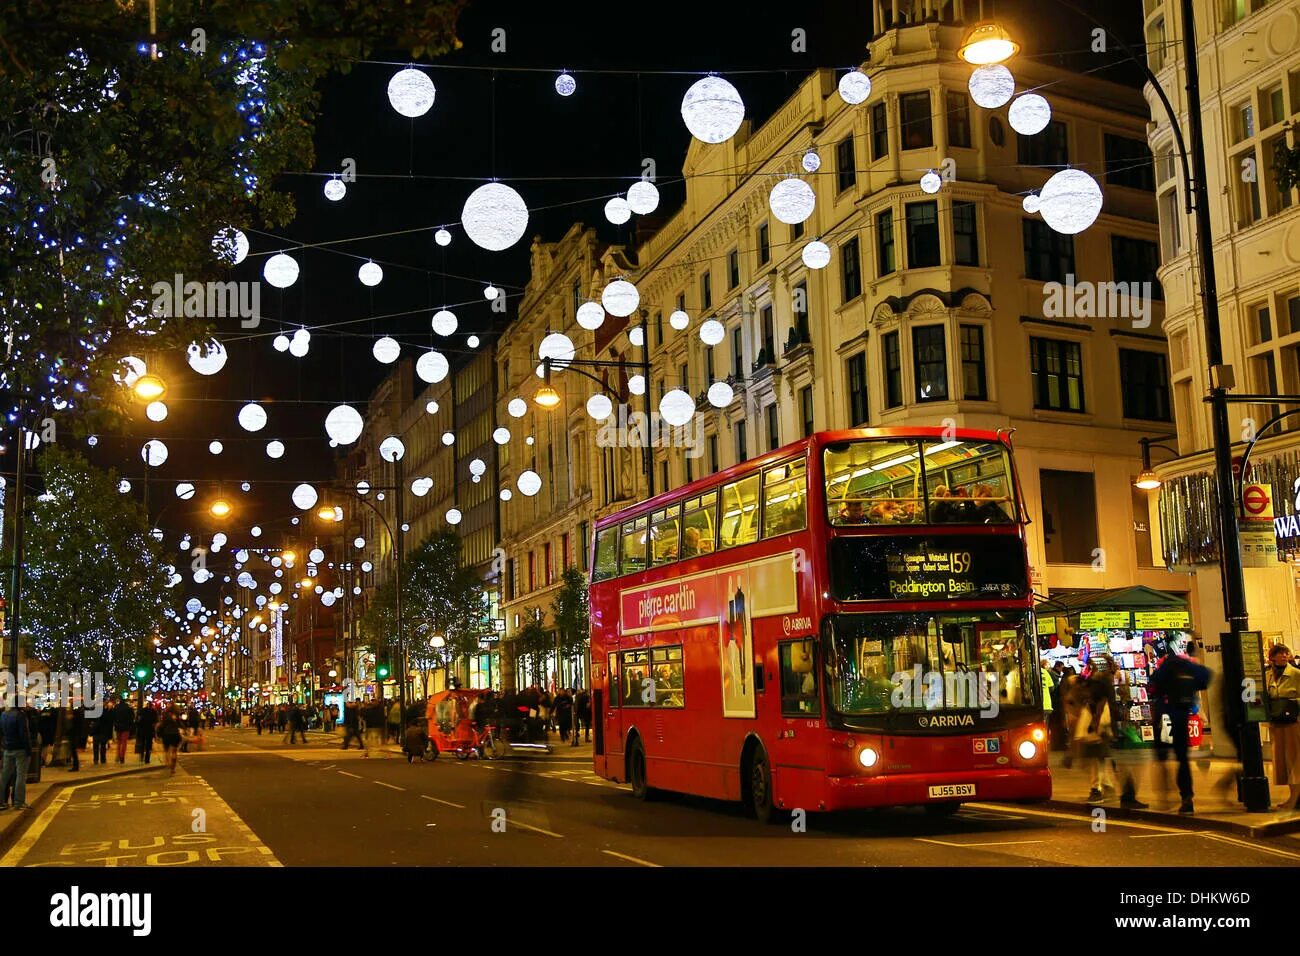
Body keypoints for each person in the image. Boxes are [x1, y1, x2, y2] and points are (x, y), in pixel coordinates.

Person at [1149, 643, 1211, 814]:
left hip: (1164, 717)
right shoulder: (1187, 666)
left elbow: (1152, 685)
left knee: (1162, 758)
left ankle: (1165, 796)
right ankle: (1186, 798)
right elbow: (1206, 677)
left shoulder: (1165, 667)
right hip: (1182, 716)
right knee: (1182, 759)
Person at [1266, 644, 1300, 813]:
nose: (1284, 656)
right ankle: (1292, 797)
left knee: (1295, 762)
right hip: (1276, 724)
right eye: (1280, 654)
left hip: (1293, 724)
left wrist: (1292, 704)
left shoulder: (1295, 674)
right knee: (1283, 764)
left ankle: (1294, 800)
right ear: (1272, 657)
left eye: (1286, 653)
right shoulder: (1268, 676)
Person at [0, 705, 34, 811]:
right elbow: (24, 733)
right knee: (20, 775)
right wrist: (28, 749)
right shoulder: (20, 715)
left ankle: (1, 801)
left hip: (7, 748)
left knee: (4, 776)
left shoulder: (3, 714)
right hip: (20, 749)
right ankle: (18, 802)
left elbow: (1, 731)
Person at [159, 705, 183, 775]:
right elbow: (180, 724)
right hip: (175, 734)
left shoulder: (165, 715)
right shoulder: (177, 716)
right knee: (174, 751)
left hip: (166, 734)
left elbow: (162, 725)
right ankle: (173, 768)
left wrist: (159, 734)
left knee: (166, 751)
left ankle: (168, 762)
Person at [113, 696, 135, 764]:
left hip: (118, 726)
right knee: (124, 742)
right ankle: (122, 757)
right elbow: (132, 718)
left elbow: (113, 716)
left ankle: (118, 755)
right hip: (126, 727)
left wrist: (115, 723)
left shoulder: (116, 707)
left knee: (119, 742)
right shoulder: (128, 708)